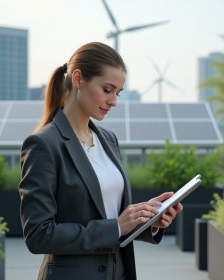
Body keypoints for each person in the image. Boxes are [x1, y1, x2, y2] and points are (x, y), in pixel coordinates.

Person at [18, 42, 183, 280]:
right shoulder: (43, 144)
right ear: (77, 79)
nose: (114, 101)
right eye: (107, 89)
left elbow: (111, 214)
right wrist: (116, 227)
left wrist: (147, 219)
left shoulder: (108, 139)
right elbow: (38, 234)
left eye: (118, 92)